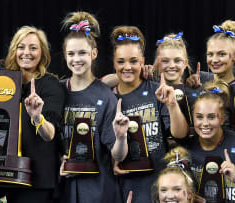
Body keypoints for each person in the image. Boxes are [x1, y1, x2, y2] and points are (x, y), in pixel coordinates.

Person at [110, 25, 188, 202]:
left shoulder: (157, 91)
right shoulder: (109, 98)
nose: (127, 67)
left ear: (143, 61)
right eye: (121, 61)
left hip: (158, 184)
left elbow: (180, 134)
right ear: (114, 63)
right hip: (125, 185)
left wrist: (173, 105)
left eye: (134, 61)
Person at [58, 11, 120, 203]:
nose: (77, 59)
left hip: (97, 189)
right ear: (65, 55)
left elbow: (115, 151)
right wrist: (58, 159)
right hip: (63, 188)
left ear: (93, 54)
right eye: (71, 53)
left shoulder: (105, 96)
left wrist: (122, 135)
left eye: (82, 53)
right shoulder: (57, 91)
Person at [0, 25, 65, 203]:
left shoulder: (51, 85)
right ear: (14, 51)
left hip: (37, 181)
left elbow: (50, 133)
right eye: (21, 47)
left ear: (42, 53)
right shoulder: (3, 82)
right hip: (4, 176)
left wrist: (37, 117)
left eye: (33, 47)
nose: (26, 52)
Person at [182, 79, 235, 202]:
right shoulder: (186, 148)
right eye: (199, 117)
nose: (205, 123)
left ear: (222, 119)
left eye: (211, 117)